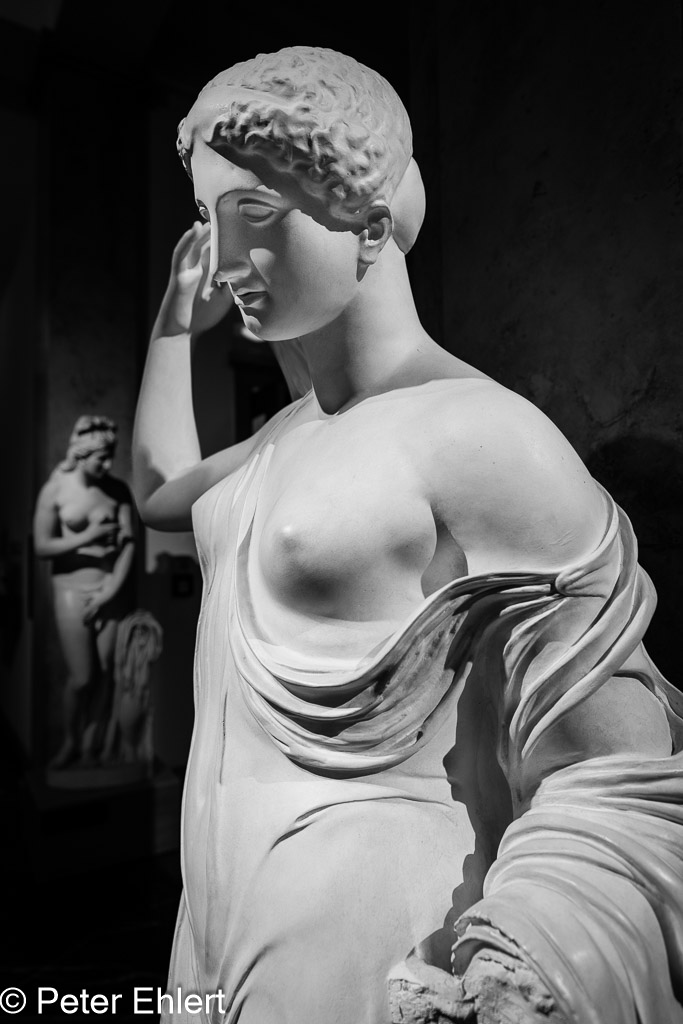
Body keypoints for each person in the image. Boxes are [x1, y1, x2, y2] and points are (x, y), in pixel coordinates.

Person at [133, 47, 683, 1024]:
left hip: (366, 943)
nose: (218, 260)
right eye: (206, 221)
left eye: (251, 213)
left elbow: (614, 769)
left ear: (371, 223)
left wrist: (519, 963)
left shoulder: (476, 434)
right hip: (207, 934)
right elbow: (160, 493)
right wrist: (174, 318)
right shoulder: (280, 439)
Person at [34, 415, 135, 770]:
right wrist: (88, 537)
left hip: (108, 588)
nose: (108, 465)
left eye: (111, 457)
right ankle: (70, 741)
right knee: (82, 677)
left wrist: (111, 591)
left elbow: (129, 546)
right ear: (82, 455)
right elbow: (42, 546)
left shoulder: (118, 491)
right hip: (70, 589)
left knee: (105, 673)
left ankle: (93, 746)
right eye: (101, 459)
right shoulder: (55, 490)